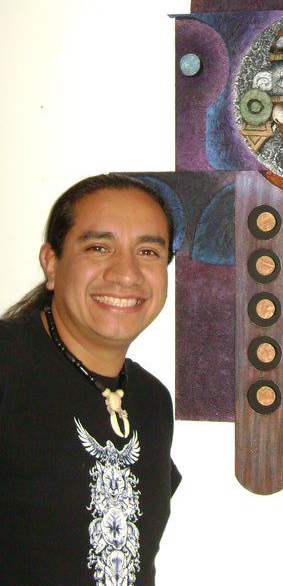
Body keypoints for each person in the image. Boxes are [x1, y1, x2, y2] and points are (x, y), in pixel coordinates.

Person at [0, 174, 181, 586]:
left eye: (148, 251)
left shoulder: (152, 401)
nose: (126, 274)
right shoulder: (8, 365)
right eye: (99, 247)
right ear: (52, 263)